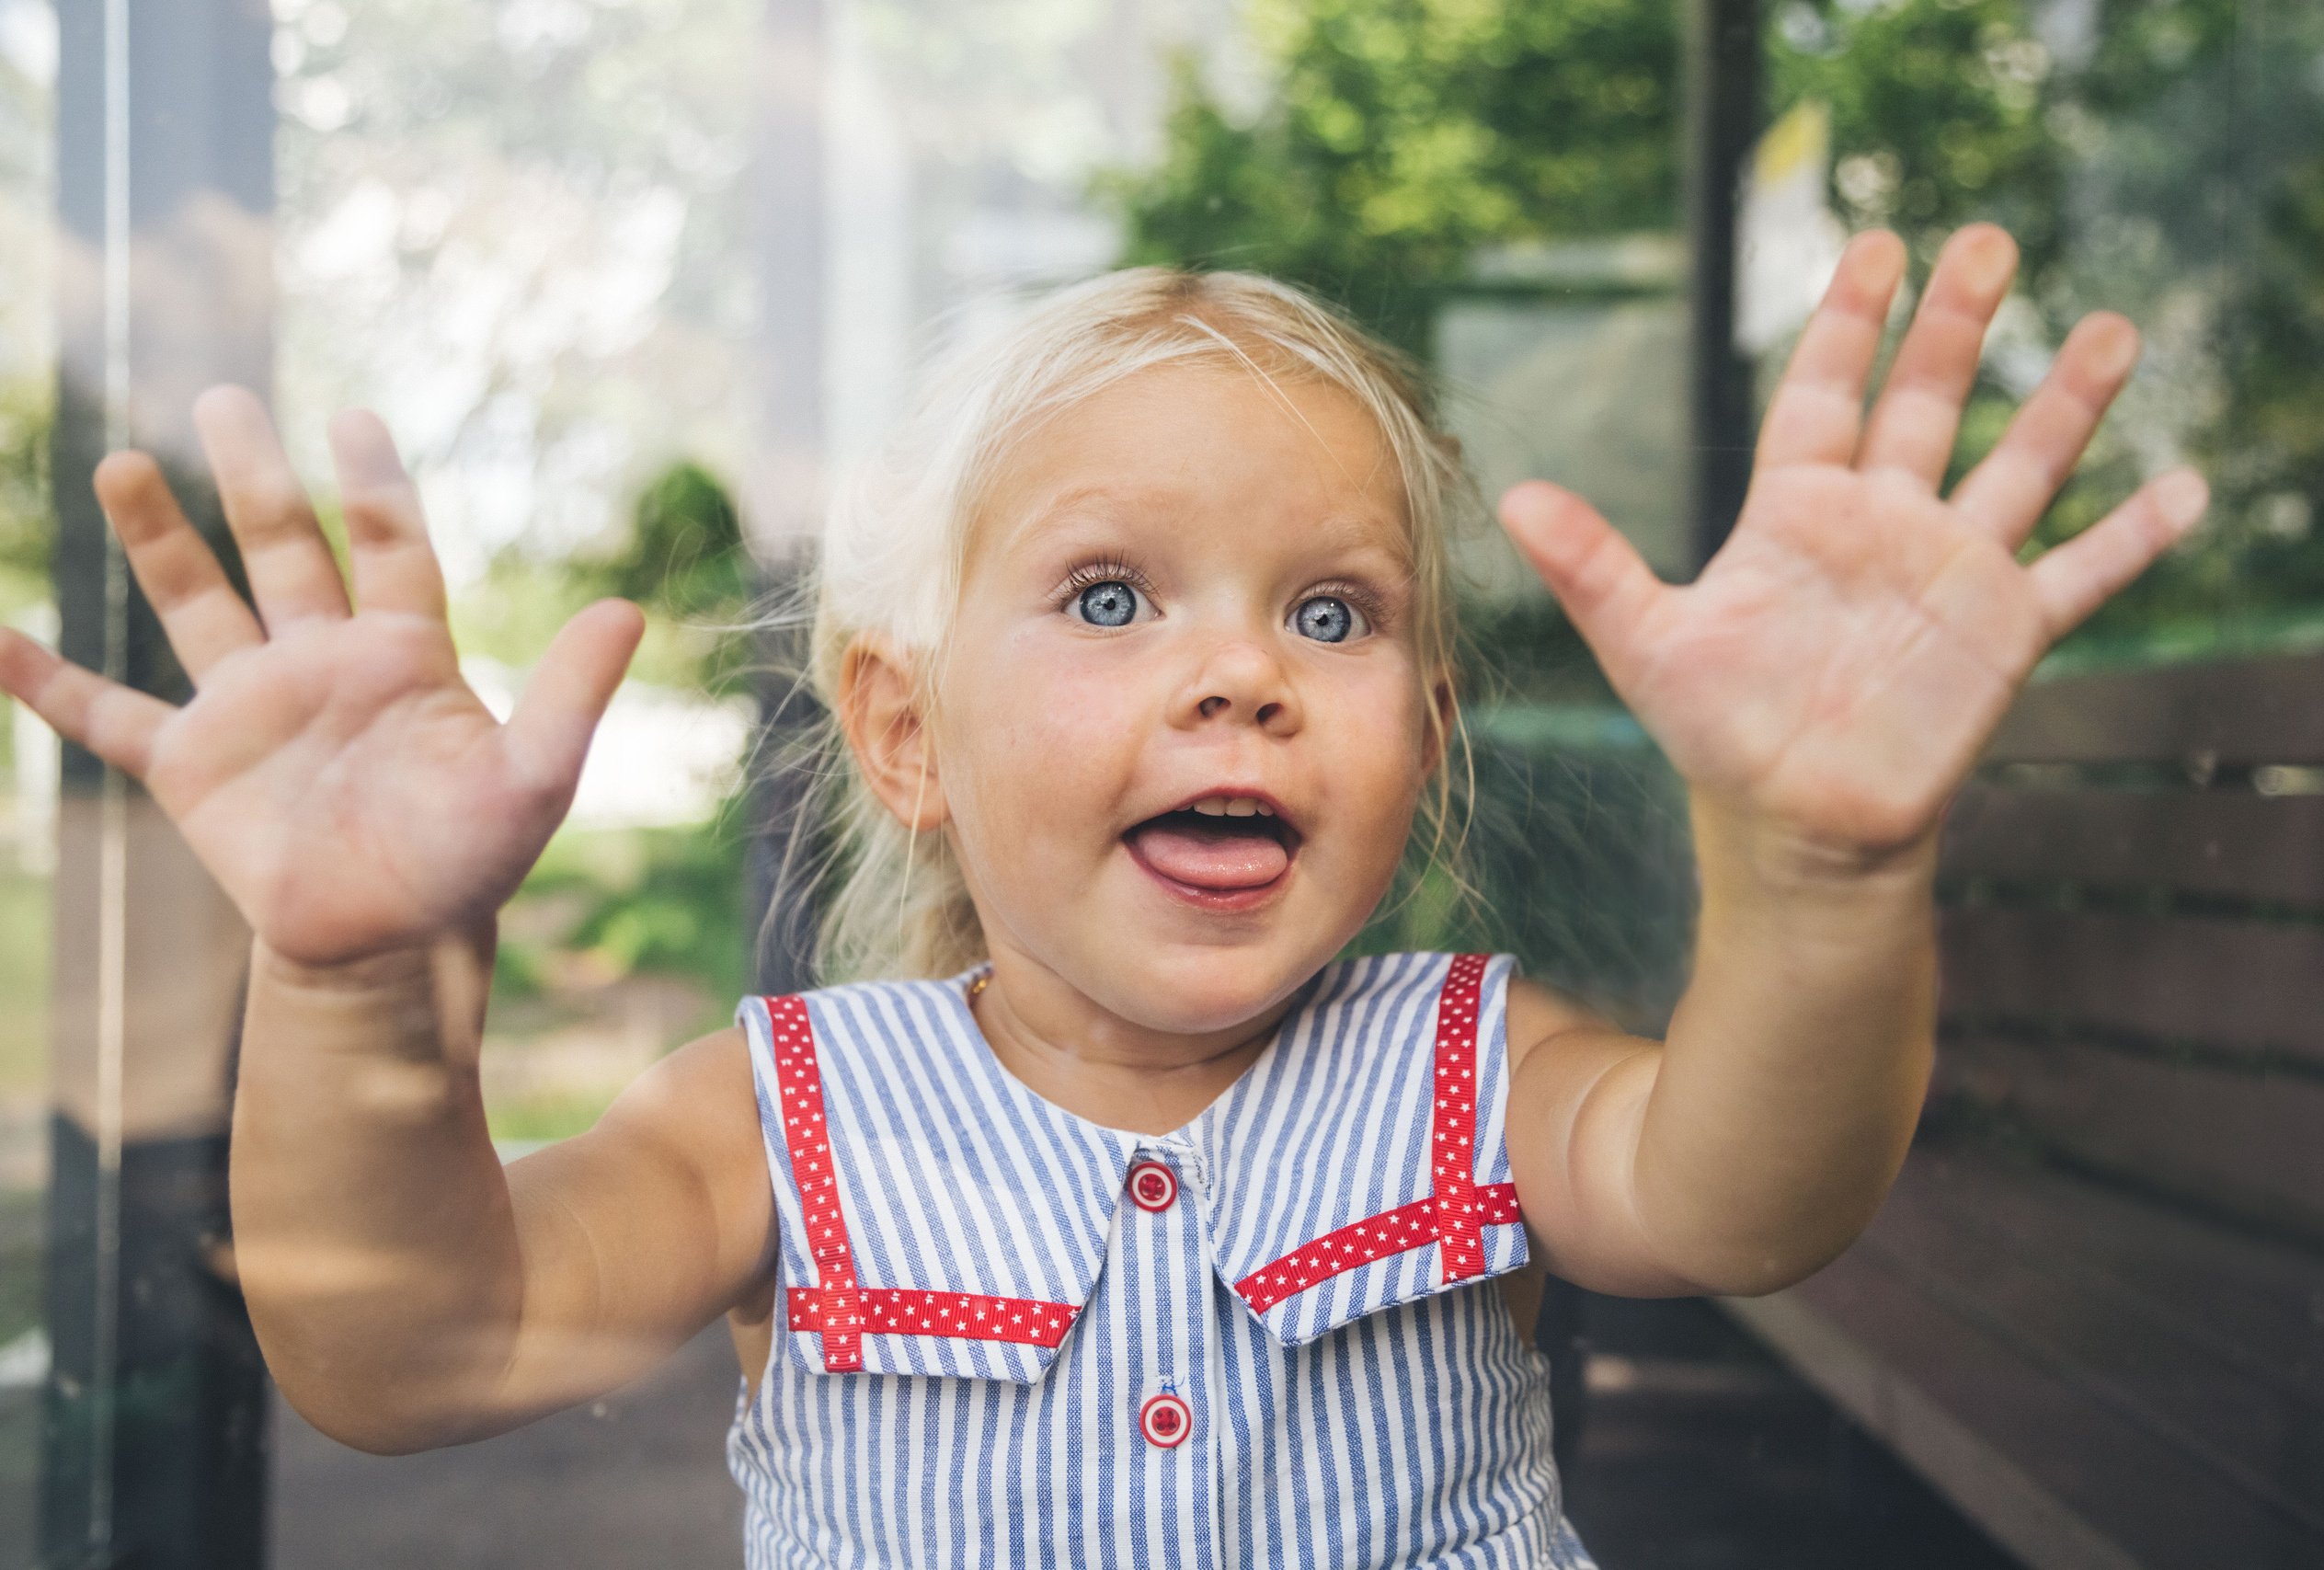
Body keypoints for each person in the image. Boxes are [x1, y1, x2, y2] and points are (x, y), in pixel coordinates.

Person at [0, 224, 2205, 1568]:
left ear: (1425, 731)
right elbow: (413, 1344)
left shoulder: (1464, 1068)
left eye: (1331, 618)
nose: (1238, 668)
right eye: (1110, 593)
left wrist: (1818, 868)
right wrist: (358, 978)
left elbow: (1748, 1195)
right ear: (902, 732)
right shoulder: (778, 1115)